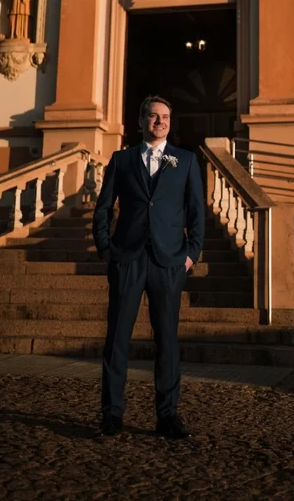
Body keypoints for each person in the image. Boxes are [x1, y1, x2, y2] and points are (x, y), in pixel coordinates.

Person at [92, 95, 205, 439]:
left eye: (166, 116)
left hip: (169, 261)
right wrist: (106, 249)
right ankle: (112, 414)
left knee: (167, 341)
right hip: (127, 258)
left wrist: (191, 254)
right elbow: (103, 207)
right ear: (141, 121)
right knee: (117, 340)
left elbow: (197, 211)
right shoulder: (122, 159)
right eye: (154, 116)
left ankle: (167, 416)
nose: (160, 121)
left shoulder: (185, 161)